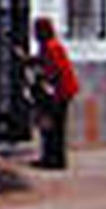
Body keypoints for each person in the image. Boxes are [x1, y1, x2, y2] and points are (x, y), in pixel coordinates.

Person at [29, 17, 79, 170]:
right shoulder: (49, 47)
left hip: (60, 92)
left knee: (54, 126)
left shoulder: (52, 47)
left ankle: (54, 159)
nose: (34, 34)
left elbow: (55, 70)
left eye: (36, 30)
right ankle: (50, 157)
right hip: (58, 91)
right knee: (51, 125)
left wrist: (45, 82)